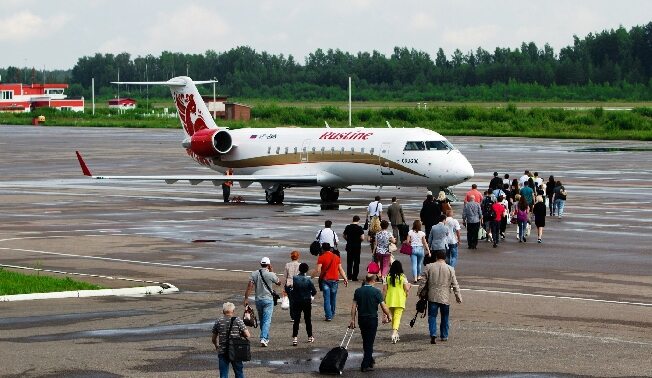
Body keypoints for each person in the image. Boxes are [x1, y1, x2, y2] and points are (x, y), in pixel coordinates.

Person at [349, 273, 392, 372]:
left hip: (361, 318)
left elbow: (354, 307)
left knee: (366, 340)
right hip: (372, 319)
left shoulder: (358, 291)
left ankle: (370, 359)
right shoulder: (376, 292)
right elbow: (383, 306)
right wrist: (389, 315)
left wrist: (352, 319)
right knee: (370, 341)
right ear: (373, 280)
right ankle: (365, 364)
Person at [422, 250, 462, 344]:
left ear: (436, 257)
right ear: (445, 258)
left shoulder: (429, 267)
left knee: (432, 316)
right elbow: (455, 284)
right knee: (445, 316)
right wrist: (458, 296)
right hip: (445, 296)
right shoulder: (450, 269)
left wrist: (421, 293)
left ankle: (433, 333)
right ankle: (444, 335)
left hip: (432, 295)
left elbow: (423, 282)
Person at [244, 257, 281, 347]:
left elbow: (250, 286)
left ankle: (265, 338)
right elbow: (279, 282)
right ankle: (263, 338)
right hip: (268, 300)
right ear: (268, 265)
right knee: (267, 320)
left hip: (258, 300)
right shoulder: (271, 274)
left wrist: (246, 298)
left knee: (262, 320)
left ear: (261, 264)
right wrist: (272, 271)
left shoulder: (254, 274)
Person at [212, 302, 251, 378]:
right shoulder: (238, 320)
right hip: (236, 350)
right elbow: (248, 335)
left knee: (223, 375)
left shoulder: (218, 321)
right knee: (239, 372)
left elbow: (213, 338)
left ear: (223, 311)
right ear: (233, 311)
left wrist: (216, 346)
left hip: (223, 351)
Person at [316, 243, 348, 321]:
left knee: (326, 299)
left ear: (322, 249)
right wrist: (345, 278)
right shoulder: (336, 257)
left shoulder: (321, 257)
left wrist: (312, 276)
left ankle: (328, 316)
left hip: (325, 280)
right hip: (334, 280)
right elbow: (340, 269)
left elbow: (318, 270)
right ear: (330, 249)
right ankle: (332, 313)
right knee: (333, 298)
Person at [382, 260, 411, 344]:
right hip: (400, 299)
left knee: (393, 317)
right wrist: (409, 286)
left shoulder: (387, 277)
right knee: (397, 317)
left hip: (390, 299)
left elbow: (384, 290)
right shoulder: (402, 277)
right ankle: (394, 332)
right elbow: (406, 289)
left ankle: (395, 334)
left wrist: (383, 300)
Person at [291, 262, 317, 346]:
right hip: (306, 301)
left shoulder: (294, 278)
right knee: (307, 319)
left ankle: (295, 338)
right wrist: (311, 295)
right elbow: (314, 291)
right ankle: (310, 336)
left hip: (297, 301)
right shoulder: (308, 280)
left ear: (299, 269)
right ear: (307, 270)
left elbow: (291, 288)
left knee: (296, 320)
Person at [343, 215, 365, 281]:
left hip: (349, 246)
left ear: (353, 220)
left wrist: (348, 240)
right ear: (358, 220)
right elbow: (362, 237)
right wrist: (359, 241)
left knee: (349, 261)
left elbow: (344, 235)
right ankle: (355, 277)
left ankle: (349, 275)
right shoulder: (359, 228)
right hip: (357, 246)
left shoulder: (348, 227)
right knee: (356, 262)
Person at [284, 251, 301, 320]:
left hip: (289, 284)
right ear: (298, 257)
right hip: (298, 284)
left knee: (291, 301)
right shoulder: (300, 265)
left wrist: (284, 286)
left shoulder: (287, 265)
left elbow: (285, 276)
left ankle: (293, 316)